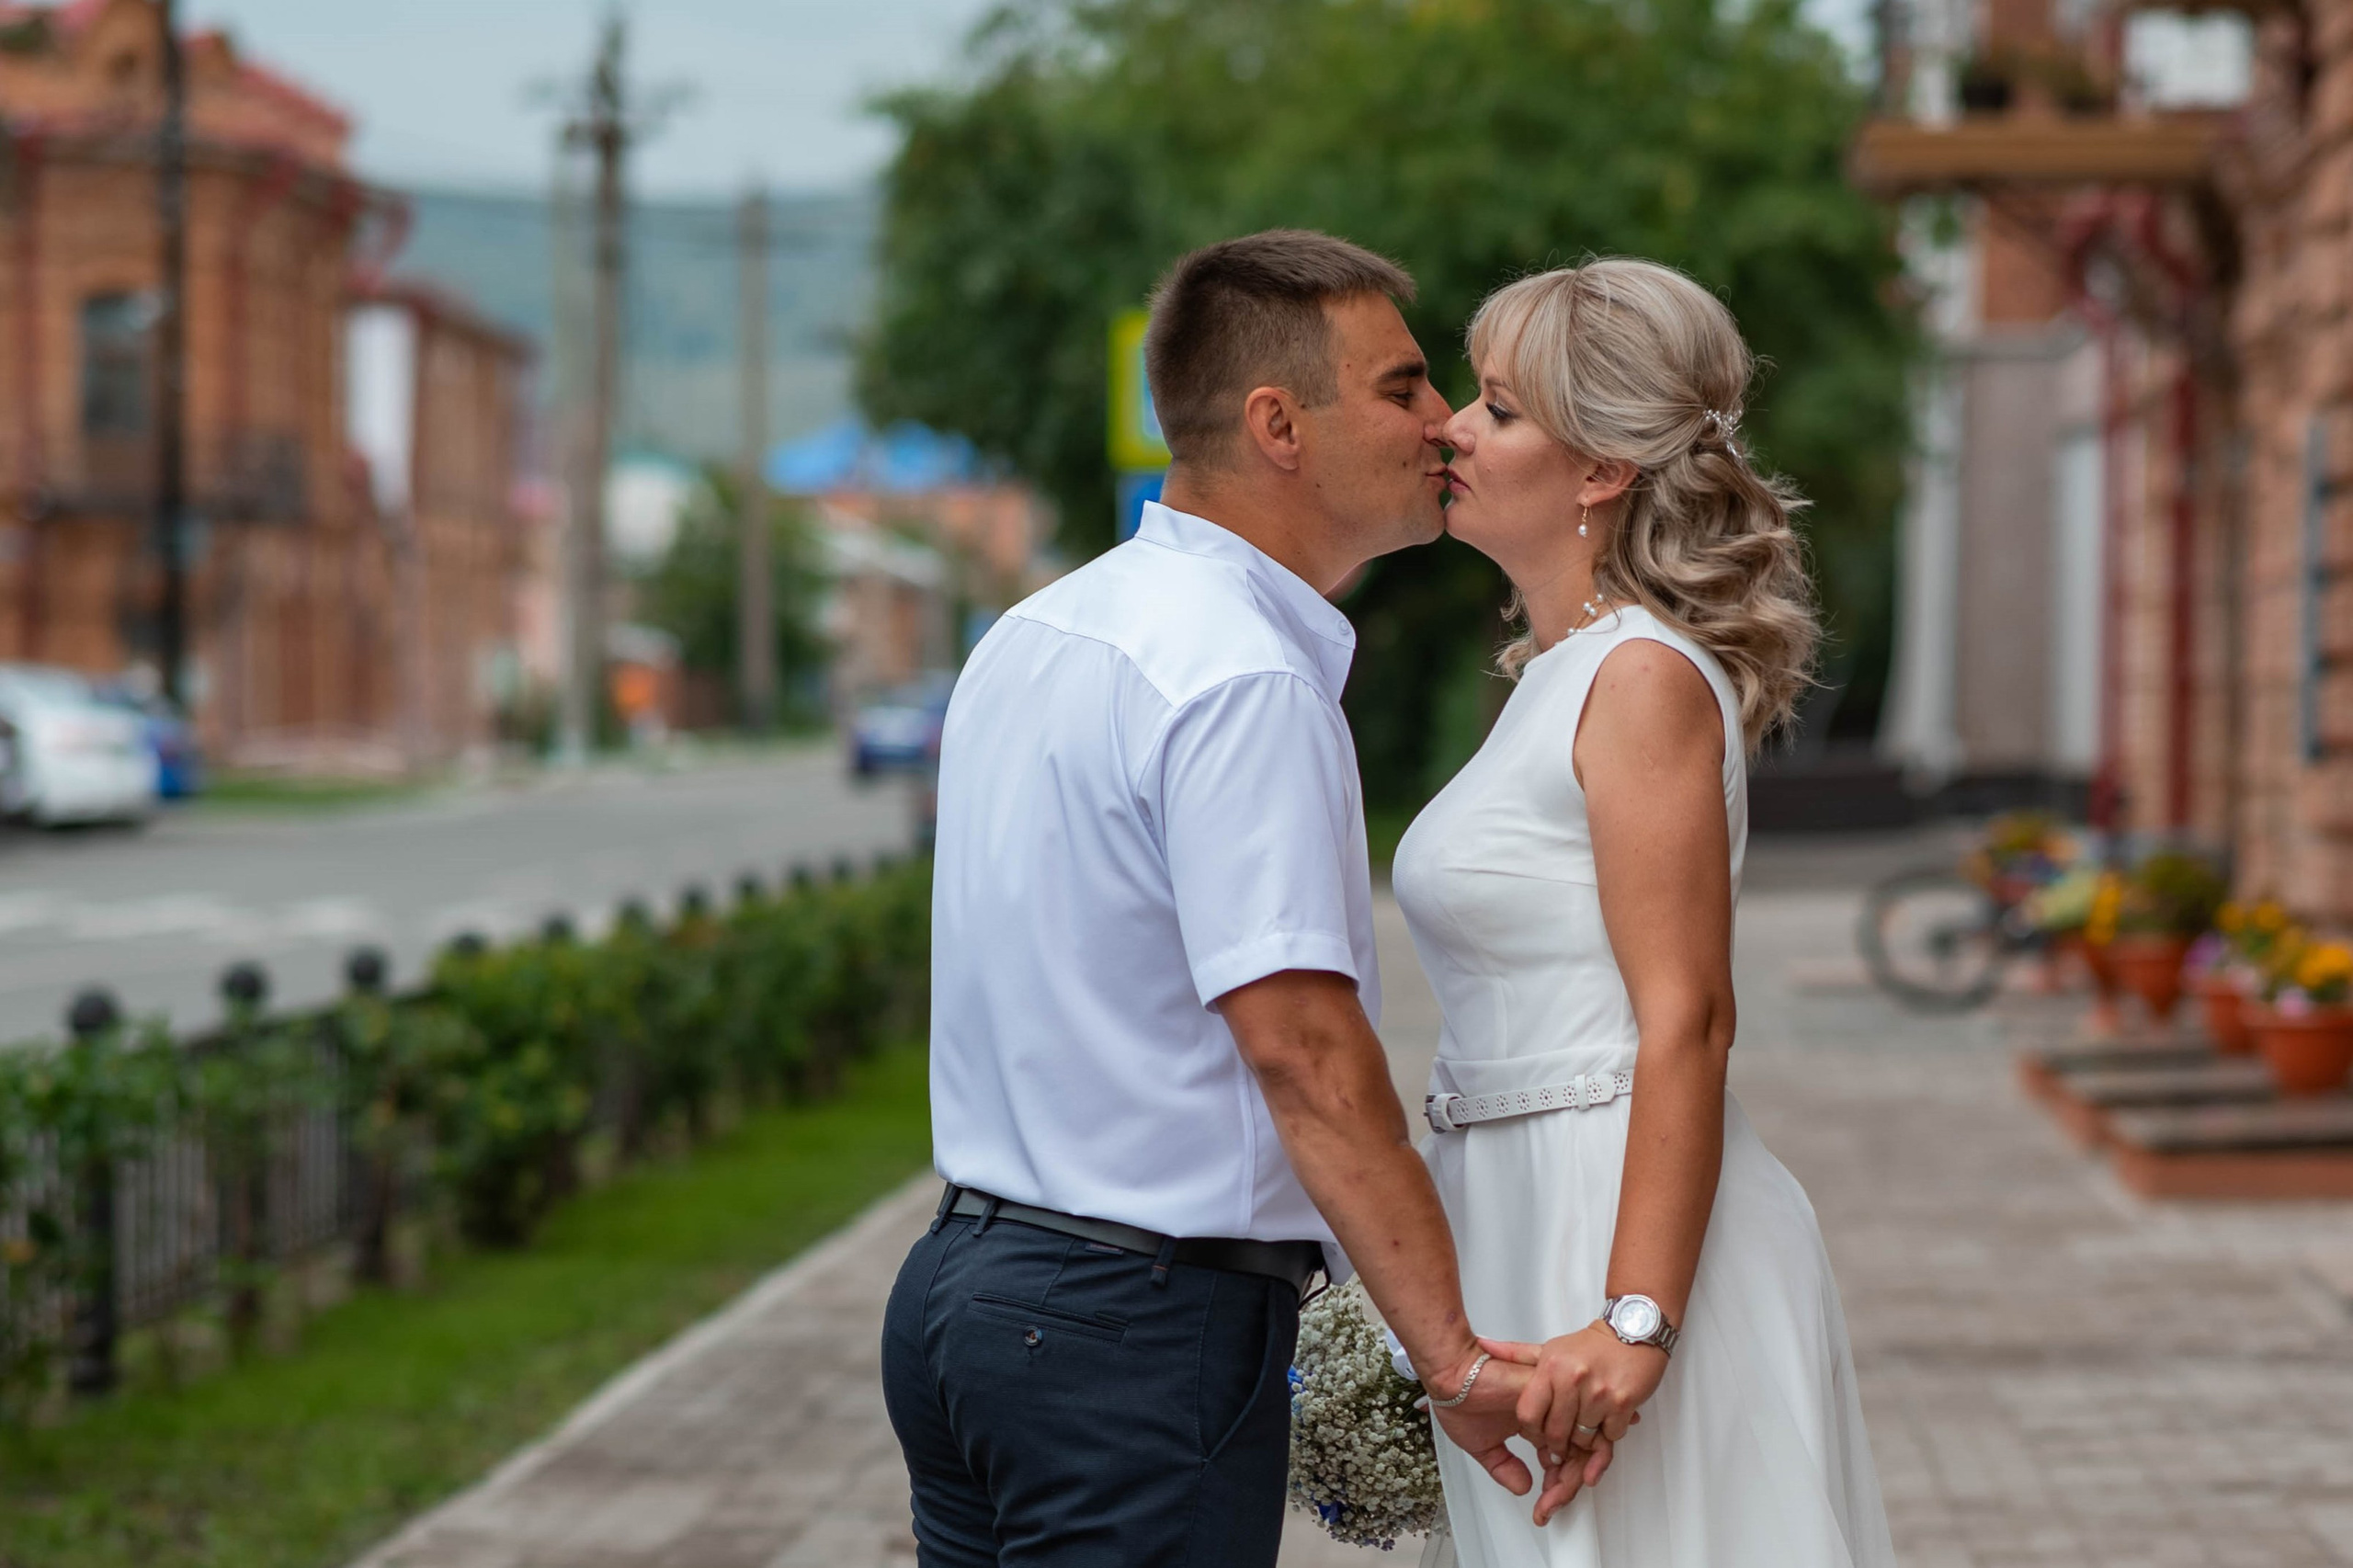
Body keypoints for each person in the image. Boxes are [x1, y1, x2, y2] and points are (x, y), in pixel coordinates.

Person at [881, 230, 1543, 1567]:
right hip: (1129, 1325)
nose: (1441, 424)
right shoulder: (1240, 675)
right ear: (1277, 423)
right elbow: (1303, 1051)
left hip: (963, 1291)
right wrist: (1453, 1357)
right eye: (1406, 386)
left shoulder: (1041, 629)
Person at [1404, 259, 1897, 1566]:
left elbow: (1688, 1014)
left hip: (1614, 1220)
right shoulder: (1559, 673)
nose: (1451, 426)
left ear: (1598, 470)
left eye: (1498, 407)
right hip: (1515, 1204)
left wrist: (1633, 1321)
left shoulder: (1638, 680)